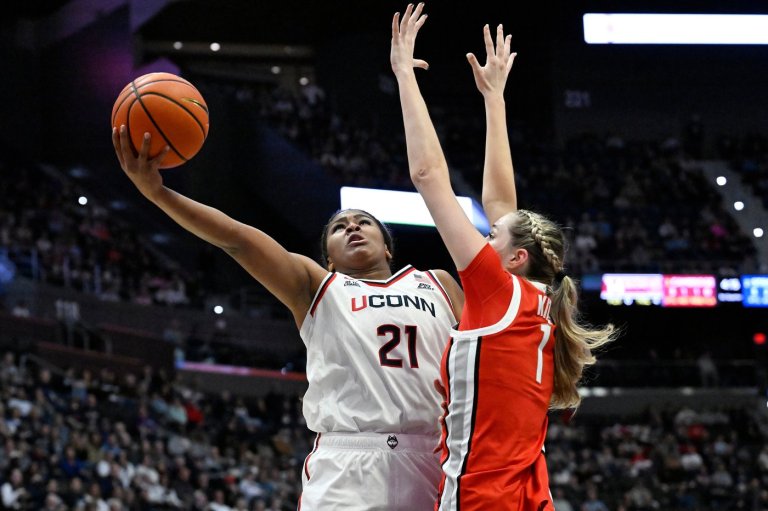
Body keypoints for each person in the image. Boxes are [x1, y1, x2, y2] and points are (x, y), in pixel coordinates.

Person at [111, 112, 466, 507]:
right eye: (339, 227)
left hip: (438, 457)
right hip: (349, 459)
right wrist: (159, 193)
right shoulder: (318, 286)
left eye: (364, 222)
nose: (352, 227)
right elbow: (237, 240)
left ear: (387, 247)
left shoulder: (439, 283)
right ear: (328, 258)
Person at [391, 4, 617, 510]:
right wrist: (494, 100)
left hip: (481, 498)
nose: (482, 239)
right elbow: (504, 207)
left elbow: (429, 178)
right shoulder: (539, 305)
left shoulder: (499, 288)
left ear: (514, 258)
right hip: (525, 496)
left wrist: (405, 75)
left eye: (490, 237)